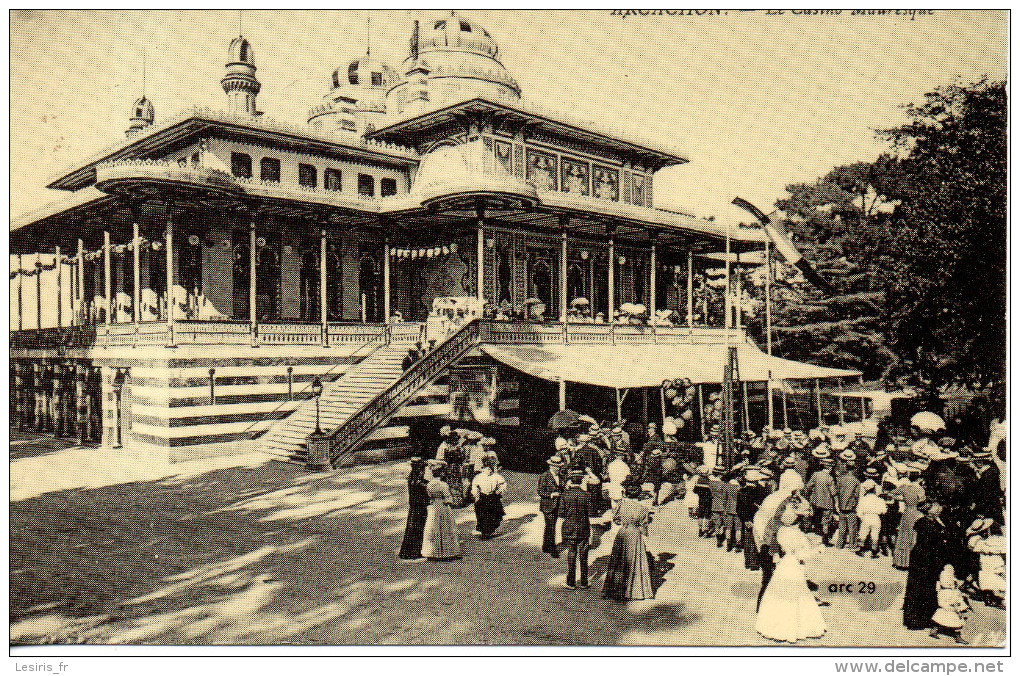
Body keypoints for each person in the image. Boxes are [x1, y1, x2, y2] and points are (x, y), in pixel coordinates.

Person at [755, 500, 827, 643]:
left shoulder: (781, 531)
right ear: (798, 520)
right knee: (796, 594)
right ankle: (792, 627)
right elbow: (800, 554)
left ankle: (775, 625)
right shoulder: (797, 535)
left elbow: (781, 550)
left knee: (779, 593)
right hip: (794, 565)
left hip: (784, 564)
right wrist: (818, 550)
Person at [752, 468, 805, 611]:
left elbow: (759, 520)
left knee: (768, 577)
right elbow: (782, 523)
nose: (797, 493)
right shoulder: (787, 501)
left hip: (764, 540)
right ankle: (768, 610)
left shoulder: (772, 497)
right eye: (796, 490)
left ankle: (763, 609)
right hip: (774, 542)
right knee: (773, 578)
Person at [603, 480, 655, 601]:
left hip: (623, 532)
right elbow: (644, 527)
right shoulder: (643, 509)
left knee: (618, 559)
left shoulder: (621, 505)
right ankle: (635, 591)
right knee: (635, 561)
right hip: (635, 534)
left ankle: (615, 589)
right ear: (639, 494)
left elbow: (616, 520)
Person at [902, 501, 950, 631]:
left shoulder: (929, 522)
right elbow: (931, 541)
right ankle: (916, 620)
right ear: (932, 512)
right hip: (925, 560)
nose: (940, 511)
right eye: (938, 510)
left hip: (926, 559)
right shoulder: (926, 524)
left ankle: (923, 618)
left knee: (924, 589)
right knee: (920, 588)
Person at [420, 460, 461, 561]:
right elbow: (447, 497)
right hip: (442, 505)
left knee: (434, 527)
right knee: (446, 527)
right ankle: (448, 552)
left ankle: (433, 552)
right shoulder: (443, 485)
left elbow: (429, 496)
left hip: (434, 505)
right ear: (440, 473)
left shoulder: (429, 485)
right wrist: (450, 502)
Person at [888, 466, 926, 569]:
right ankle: (909, 562)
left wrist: (902, 499)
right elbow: (922, 502)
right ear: (919, 479)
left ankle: (899, 561)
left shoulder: (905, 487)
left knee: (903, 535)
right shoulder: (920, 490)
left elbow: (890, 493)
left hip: (906, 512)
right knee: (913, 536)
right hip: (916, 512)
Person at [560, 470, 592, 589]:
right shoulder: (586, 495)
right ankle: (584, 581)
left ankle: (571, 582)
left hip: (569, 527)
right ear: (581, 480)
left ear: (570, 480)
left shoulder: (565, 494)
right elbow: (591, 512)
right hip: (583, 527)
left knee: (572, 553)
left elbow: (561, 513)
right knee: (584, 555)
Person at [966, 519, 1006, 608]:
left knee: (997, 578)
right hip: (986, 561)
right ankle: (990, 597)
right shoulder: (975, 540)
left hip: (995, 560)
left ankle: (997, 596)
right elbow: (977, 548)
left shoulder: (992, 538)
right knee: (988, 580)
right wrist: (992, 548)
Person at [737, 468, 771, 570]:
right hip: (758, 518)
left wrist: (745, 519)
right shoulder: (761, 491)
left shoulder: (741, 491)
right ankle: (756, 561)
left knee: (748, 540)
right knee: (757, 539)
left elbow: (739, 508)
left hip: (747, 519)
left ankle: (749, 562)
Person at [398, 457, 429, 560]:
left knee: (413, 528)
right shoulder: (417, 479)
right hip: (419, 505)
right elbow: (422, 489)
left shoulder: (412, 476)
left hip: (415, 505)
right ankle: (414, 551)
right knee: (417, 528)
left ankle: (410, 550)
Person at [930, 565, 970, 644]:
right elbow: (943, 600)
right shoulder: (944, 589)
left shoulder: (953, 588)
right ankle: (956, 636)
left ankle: (956, 635)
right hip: (948, 600)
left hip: (951, 597)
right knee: (951, 617)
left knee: (950, 617)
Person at [472, 455, 507, 538]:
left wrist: (499, 491)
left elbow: (503, 484)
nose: (489, 471)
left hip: (493, 496)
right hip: (483, 497)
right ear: (483, 468)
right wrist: (476, 495)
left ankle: (490, 529)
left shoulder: (496, 476)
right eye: (487, 468)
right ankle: (485, 531)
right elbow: (474, 486)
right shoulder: (479, 477)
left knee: (495, 514)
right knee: (482, 514)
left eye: (490, 468)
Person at [805, 458, 838, 546]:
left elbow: (808, 486)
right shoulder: (829, 478)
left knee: (816, 518)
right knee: (825, 522)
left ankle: (814, 534)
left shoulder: (815, 475)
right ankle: (825, 540)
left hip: (816, 502)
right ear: (830, 468)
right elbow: (833, 492)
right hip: (827, 504)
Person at [537, 456, 565, 557]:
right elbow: (540, 491)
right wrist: (550, 495)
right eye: (556, 467)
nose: (558, 469)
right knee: (551, 526)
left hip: (558, 505)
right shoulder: (545, 476)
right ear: (551, 466)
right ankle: (552, 548)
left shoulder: (561, 476)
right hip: (548, 505)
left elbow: (562, 488)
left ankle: (546, 546)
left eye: (559, 467)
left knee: (551, 526)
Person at [834, 456, 861, 549]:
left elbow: (837, 491)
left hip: (842, 506)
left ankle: (839, 544)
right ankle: (853, 545)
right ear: (854, 469)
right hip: (851, 507)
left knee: (842, 527)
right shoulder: (856, 481)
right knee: (852, 528)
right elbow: (857, 496)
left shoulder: (840, 479)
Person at [855, 478, 886, 558]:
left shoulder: (863, 499)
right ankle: (874, 552)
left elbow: (859, 511)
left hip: (866, 517)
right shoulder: (879, 499)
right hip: (876, 517)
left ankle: (861, 550)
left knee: (863, 533)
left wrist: (862, 517)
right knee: (875, 535)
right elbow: (884, 510)